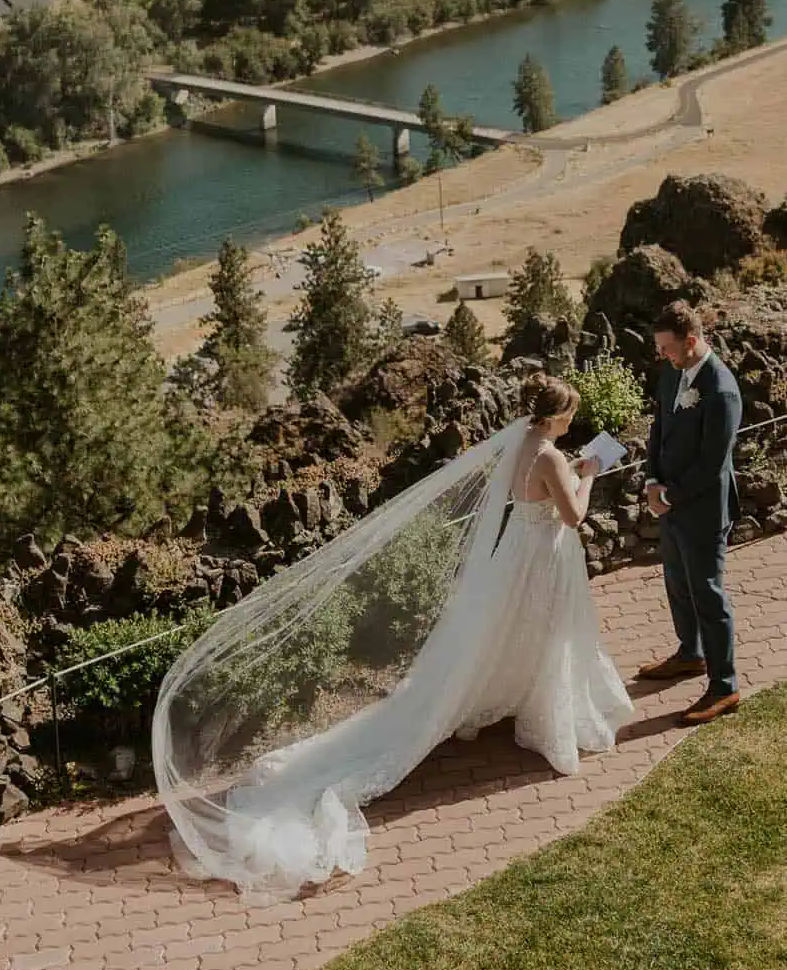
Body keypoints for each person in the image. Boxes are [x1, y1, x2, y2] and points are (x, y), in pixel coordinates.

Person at [154, 377, 634, 895]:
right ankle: (546, 714)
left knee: (509, 632)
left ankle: (507, 697)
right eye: (568, 416)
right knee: (549, 634)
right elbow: (573, 515)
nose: (570, 423)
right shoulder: (551, 459)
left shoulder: (520, 444)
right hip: (541, 558)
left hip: (513, 554)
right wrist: (590, 473)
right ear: (556, 416)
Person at [638, 299, 743, 725]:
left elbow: (712, 463)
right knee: (677, 583)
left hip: (702, 508)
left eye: (667, 347)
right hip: (670, 501)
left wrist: (672, 495)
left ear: (693, 341)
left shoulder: (722, 390)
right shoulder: (672, 373)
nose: (661, 354)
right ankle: (690, 653)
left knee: (707, 593)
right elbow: (658, 429)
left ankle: (725, 686)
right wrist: (650, 482)